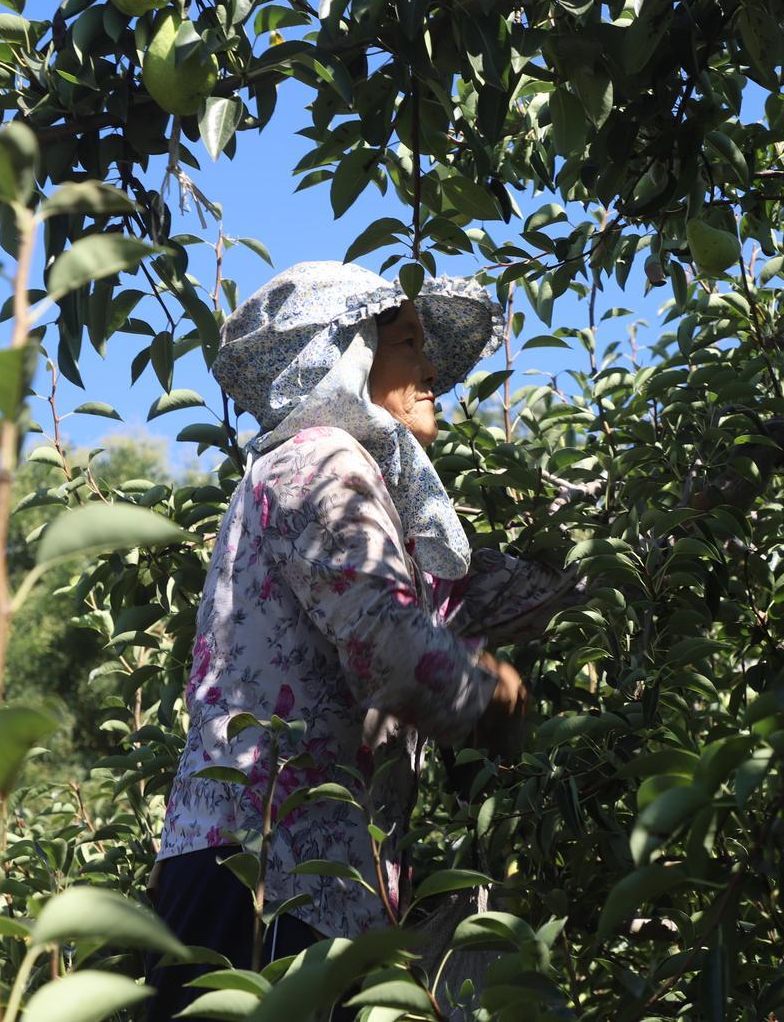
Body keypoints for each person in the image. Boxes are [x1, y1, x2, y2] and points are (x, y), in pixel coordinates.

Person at [143, 262, 585, 1020]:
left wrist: (697, 503)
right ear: (347, 355)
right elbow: (389, 641)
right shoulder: (319, 460)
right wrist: (491, 694)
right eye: (409, 343)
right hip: (259, 869)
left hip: (326, 887)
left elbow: (514, 595)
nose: (432, 370)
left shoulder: (381, 518)